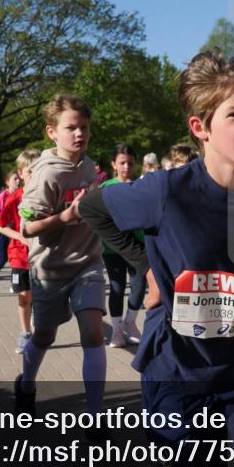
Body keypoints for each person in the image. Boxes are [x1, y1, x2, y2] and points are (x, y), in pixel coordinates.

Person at [73, 51, 234, 467]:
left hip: (233, 371)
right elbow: (92, 208)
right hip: (176, 372)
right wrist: (147, 266)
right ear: (201, 126)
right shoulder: (166, 191)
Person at [14, 95, 106, 430]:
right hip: (50, 268)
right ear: (52, 132)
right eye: (71, 128)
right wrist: (65, 216)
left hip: (88, 262)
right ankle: (26, 384)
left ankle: (95, 419)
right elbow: (27, 227)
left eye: (84, 127)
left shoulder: (89, 166)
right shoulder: (45, 174)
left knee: (93, 333)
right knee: (45, 335)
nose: (79, 134)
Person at [100, 143, 145, 348]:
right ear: (114, 164)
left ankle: (130, 323)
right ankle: (116, 329)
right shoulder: (106, 187)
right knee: (117, 287)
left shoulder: (141, 186)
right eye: (122, 163)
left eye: (130, 163)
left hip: (137, 246)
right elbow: (98, 216)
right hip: (113, 248)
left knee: (139, 285)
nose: (126, 167)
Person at [0, 150, 40, 353]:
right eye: (30, 171)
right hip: (19, 255)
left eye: (38, 170)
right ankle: (25, 333)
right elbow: (0, 225)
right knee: (24, 296)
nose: (35, 175)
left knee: (40, 296)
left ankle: (39, 330)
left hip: (42, 255)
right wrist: (20, 236)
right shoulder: (14, 199)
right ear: (21, 174)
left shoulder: (47, 195)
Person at [0, 171, 20, 285]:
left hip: (15, 232)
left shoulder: (21, 195)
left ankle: (15, 283)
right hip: (2, 231)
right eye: (15, 179)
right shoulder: (3, 196)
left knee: (15, 258)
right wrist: (4, 223)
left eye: (19, 179)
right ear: (7, 182)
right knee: (3, 258)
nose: (18, 181)